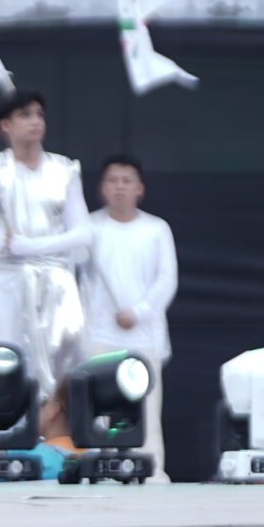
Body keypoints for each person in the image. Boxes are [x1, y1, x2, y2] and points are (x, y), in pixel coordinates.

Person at [0, 90, 90, 395]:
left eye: (39, 114)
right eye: (25, 115)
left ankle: (62, 432)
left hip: (55, 283)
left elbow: (83, 232)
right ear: (6, 126)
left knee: (63, 362)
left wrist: (31, 247)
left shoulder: (64, 169)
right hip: (6, 281)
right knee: (4, 356)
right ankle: (5, 432)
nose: (35, 121)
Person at [82, 154, 178, 482]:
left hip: (142, 339)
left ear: (139, 188)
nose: (119, 187)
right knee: (97, 412)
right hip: (97, 336)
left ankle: (150, 473)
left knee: (146, 413)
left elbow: (166, 281)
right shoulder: (88, 229)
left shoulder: (156, 229)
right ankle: (99, 472)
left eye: (126, 181)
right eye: (112, 180)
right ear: (102, 189)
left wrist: (138, 313)